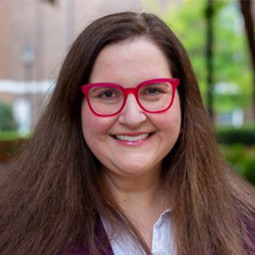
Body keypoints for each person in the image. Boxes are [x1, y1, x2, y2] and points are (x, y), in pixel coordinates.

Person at [0, 12, 255, 255]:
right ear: (74, 108)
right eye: (107, 94)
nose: (133, 117)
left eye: (153, 91)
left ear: (183, 101)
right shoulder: (13, 229)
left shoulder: (246, 225)